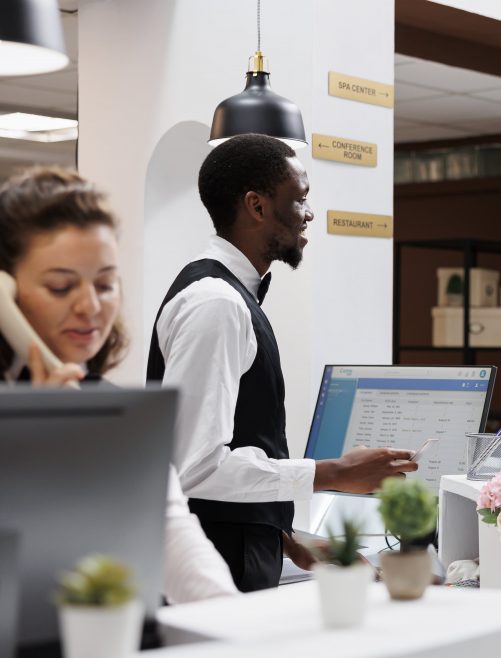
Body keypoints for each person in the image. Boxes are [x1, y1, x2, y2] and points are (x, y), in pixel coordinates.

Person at [147, 133, 416, 592]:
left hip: (244, 547)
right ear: (256, 206)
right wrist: (336, 473)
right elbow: (196, 468)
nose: (309, 214)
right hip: (217, 567)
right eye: (301, 199)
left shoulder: (228, 295)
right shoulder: (217, 303)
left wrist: (289, 541)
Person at [0, 166, 238, 604]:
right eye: (60, 286)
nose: (90, 306)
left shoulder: (112, 412)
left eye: (105, 284)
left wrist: (235, 630)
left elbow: (175, 543)